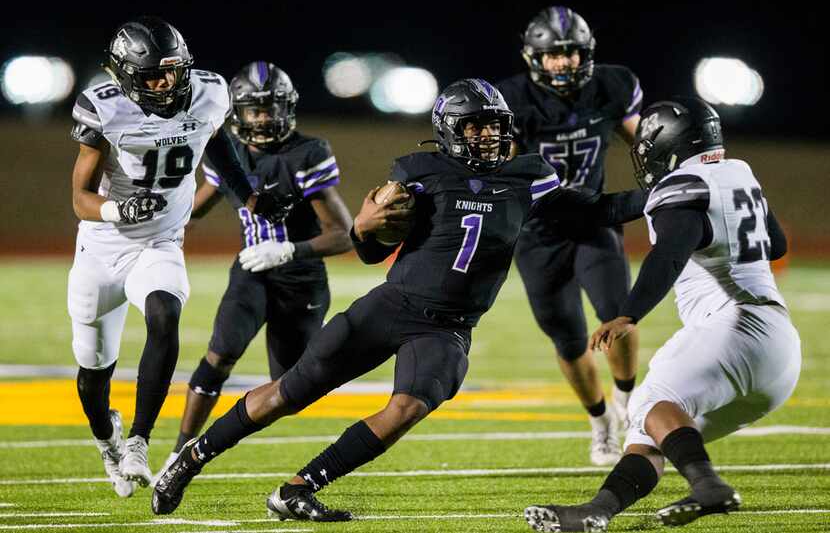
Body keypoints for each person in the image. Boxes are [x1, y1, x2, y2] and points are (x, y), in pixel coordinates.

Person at [151, 78, 647, 519]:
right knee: (288, 392)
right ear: (450, 128)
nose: (487, 135)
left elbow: (596, 210)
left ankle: (299, 488)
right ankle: (191, 458)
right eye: (474, 126)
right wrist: (365, 227)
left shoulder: (529, 176)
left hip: (449, 327)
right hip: (391, 305)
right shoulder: (418, 169)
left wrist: (661, 191)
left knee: (407, 408)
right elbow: (368, 251)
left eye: (493, 126)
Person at [524, 97, 801, 532]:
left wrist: (628, 313)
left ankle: (709, 485)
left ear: (669, 143)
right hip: (779, 352)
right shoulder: (737, 174)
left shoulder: (687, 188)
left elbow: (670, 251)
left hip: (735, 326)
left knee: (651, 403)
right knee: (648, 428)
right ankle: (597, 511)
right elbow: (611, 209)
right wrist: (543, 195)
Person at [68, 17, 291, 497]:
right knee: (91, 379)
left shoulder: (209, 93)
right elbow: (79, 198)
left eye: (171, 72)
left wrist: (249, 196)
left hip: (160, 242)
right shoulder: (103, 109)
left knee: (164, 313)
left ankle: (139, 440)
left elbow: (218, 144)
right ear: (124, 76)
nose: (164, 84)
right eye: (151, 75)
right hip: (102, 247)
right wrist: (119, 207)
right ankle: (107, 438)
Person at [154, 62, 352, 478]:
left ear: (287, 107)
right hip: (251, 271)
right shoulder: (229, 152)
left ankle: (228, 429)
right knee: (221, 350)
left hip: (300, 279)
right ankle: (180, 452)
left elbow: (343, 235)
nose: (263, 118)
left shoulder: (307, 153)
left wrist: (288, 251)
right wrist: (149, 219)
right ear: (236, 113)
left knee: (292, 389)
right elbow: (192, 210)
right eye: (254, 110)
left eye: (270, 108)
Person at [498, 6, 644, 465]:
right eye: (553, 55)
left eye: (570, 53)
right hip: (539, 231)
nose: (562, 62)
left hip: (593, 219)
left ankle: (626, 399)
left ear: (586, 54)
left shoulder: (611, 87)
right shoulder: (514, 100)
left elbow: (642, 144)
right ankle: (600, 422)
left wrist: (666, 181)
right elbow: (508, 170)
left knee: (618, 314)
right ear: (533, 57)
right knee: (567, 336)